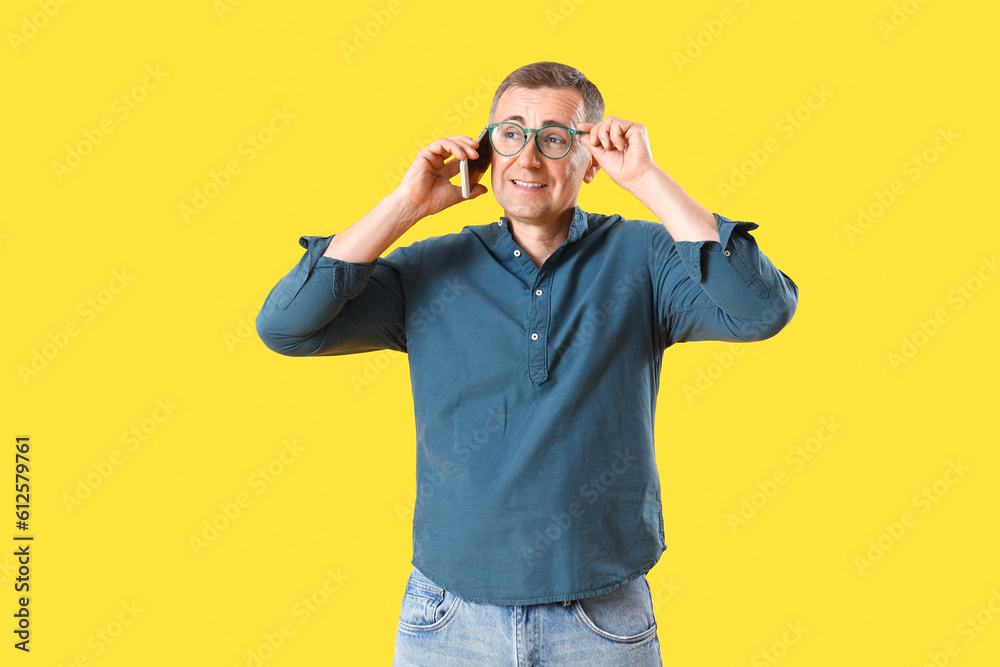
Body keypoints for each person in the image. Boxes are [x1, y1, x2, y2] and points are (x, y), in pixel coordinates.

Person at [256, 61, 798, 666]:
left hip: (601, 614)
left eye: (555, 138)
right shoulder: (429, 270)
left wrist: (647, 179)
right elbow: (287, 326)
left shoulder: (647, 258)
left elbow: (760, 310)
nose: (529, 158)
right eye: (511, 133)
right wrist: (404, 204)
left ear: (591, 158)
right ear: (488, 150)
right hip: (450, 615)